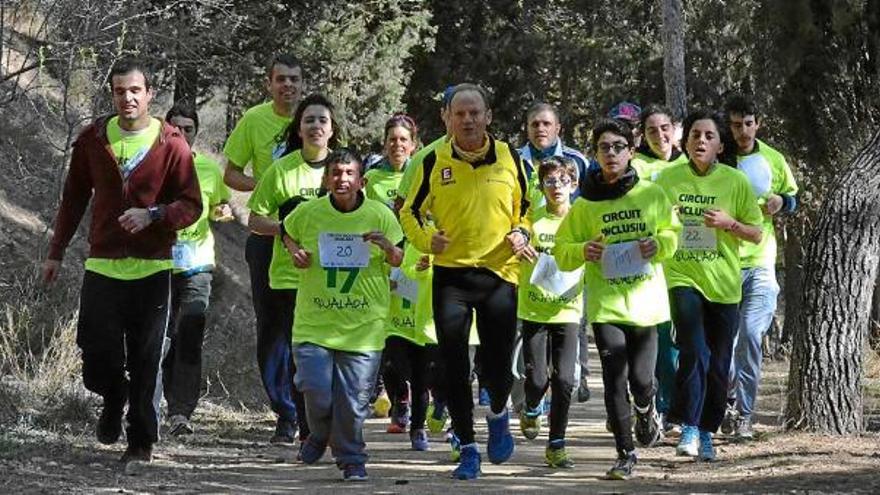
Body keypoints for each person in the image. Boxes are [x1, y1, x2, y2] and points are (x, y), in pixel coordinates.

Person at [42, 59, 202, 462]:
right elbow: (73, 199)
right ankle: (114, 395)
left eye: (135, 90)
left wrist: (154, 215)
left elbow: (191, 204)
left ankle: (140, 443)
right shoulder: (94, 139)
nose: (127, 98)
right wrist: (56, 253)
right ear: (111, 94)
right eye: (119, 91)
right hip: (103, 265)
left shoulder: (171, 144)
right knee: (96, 356)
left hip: (152, 269)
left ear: (149, 95)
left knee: (147, 361)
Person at [400, 83, 531, 480]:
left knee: (496, 364)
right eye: (460, 114)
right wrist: (426, 240)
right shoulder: (430, 161)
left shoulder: (510, 157)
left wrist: (523, 234)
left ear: (488, 116)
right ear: (448, 119)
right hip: (451, 276)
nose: (468, 120)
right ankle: (468, 448)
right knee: (454, 365)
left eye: (475, 113)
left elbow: (526, 208)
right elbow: (409, 212)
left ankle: (497, 413)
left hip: (498, 273)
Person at [555, 119, 681, 479]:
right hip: (606, 305)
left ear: (631, 151)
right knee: (614, 379)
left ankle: (646, 409)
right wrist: (584, 249)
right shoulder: (584, 205)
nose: (611, 154)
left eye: (618, 147)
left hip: (646, 304)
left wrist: (659, 244)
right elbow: (562, 251)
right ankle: (625, 453)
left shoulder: (651, 194)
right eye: (603, 148)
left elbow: (672, 234)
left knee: (642, 381)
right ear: (595, 154)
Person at [282, 149, 404, 481]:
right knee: (317, 391)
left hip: (363, 326)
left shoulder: (380, 215)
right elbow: (286, 231)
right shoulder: (308, 213)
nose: (342, 179)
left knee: (352, 402)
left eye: (349, 173)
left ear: (362, 180)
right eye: (336, 173)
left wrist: (388, 248)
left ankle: (352, 458)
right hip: (314, 322)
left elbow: (399, 259)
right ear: (326, 179)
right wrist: (296, 253)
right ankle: (320, 434)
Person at [654, 109, 763, 462]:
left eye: (709, 136)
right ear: (684, 143)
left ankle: (706, 430)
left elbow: (756, 232)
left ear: (719, 145)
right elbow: (650, 225)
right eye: (695, 135)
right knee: (694, 352)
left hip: (725, 284)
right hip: (682, 277)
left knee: (719, 364)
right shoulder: (667, 181)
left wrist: (730, 223)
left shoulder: (735, 182)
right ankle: (687, 425)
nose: (701, 141)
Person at [247, 93, 341, 447]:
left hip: (332, 280)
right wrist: (287, 228)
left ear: (333, 130)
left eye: (323, 121)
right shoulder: (282, 170)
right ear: (298, 129)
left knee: (324, 353)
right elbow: (256, 219)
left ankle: (322, 419)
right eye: (309, 120)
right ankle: (293, 420)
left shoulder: (343, 169)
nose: (316, 126)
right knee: (292, 350)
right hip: (288, 276)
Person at [222, 53, 306, 443]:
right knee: (272, 329)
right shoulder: (255, 120)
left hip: (310, 242)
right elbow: (231, 173)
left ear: (303, 84)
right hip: (266, 237)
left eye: (294, 79)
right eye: (280, 79)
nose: (287, 85)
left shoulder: (314, 118)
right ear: (269, 84)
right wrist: (268, 185)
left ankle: (311, 410)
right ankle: (284, 412)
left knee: (306, 328)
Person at [722, 95, 798, 440]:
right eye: (736, 125)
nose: (742, 131)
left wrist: (782, 201)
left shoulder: (773, 159)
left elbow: (793, 197)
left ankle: (745, 415)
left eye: (748, 123)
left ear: (758, 123)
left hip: (760, 263)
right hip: (721, 265)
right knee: (724, 342)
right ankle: (726, 399)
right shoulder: (719, 158)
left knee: (751, 337)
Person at [162, 104, 234, 436]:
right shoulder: (152, 167)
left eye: (188, 129)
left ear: (196, 132)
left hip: (197, 263)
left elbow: (220, 205)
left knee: (189, 334)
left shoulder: (207, 169)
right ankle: (152, 400)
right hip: (158, 263)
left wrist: (221, 212)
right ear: (165, 129)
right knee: (160, 337)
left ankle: (180, 412)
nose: (181, 133)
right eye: (175, 127)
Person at [517, 102, 592, 405]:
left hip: (569, 254)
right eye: (534, 124)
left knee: (575, 319)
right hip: (532, 252)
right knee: (530, 329)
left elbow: (588, 203)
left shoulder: (577, 160)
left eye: (546, 123)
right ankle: (532, 393)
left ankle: (578, 376)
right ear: (527, 128)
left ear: (558, 127)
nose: (540, 129)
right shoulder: (516, 161)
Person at [515, 156, 584, 469]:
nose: (557, 187)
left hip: (569, 311)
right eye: (550, 181)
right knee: (537, 378)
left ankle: (556, 444)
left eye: (563, 180)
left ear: (574, 183)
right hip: (533, 310)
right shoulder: (531, 220)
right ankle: (531, 407)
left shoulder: (581, 219)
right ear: (541, 187)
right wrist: (518, 246)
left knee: (565, 380)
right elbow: (513, 241)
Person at [629, 104, 688, 432]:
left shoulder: (690, 161)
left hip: (692, 266)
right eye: (651, 131)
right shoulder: (636, 165)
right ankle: (662, 407)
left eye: (664, 128)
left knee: (687, 343)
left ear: (676, 129)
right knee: (661, 343)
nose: (660, 136)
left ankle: (689, 407)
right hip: (652, 269)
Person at [365, 113, 418, 210]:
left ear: (413, 145)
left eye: (403, 139)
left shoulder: (420, 175)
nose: (398, 144)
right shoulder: (370, 178)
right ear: (385, 143)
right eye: (393, 139)